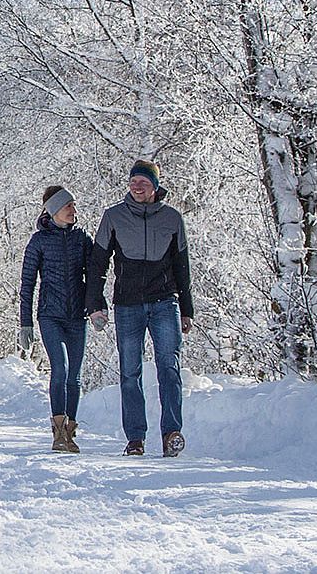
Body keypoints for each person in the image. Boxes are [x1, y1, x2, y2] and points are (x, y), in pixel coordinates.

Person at [89, 160, 196, 457]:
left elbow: (182, 266)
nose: (137, 187)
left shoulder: (173, 219)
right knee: (130, 372)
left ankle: (171, 433)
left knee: (170, 368)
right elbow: (98, 264)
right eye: (133, 182)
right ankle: (135, 438)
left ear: (155, 187)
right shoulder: (113, 217)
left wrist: (187, 309)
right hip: (128, 305)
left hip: (165, 302)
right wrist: (95, 304)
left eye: (143, 183)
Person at [18, 185, 102, 453]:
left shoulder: (82, 239)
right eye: (68, 207)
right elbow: (27, 284)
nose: (73, 211)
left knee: (74, 376)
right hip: (50, 316)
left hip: (77, 316)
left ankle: (70, 432)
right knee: (61, 369)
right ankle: (57, 431)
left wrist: (97, 308)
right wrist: (26, 322)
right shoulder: (39, 241)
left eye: (74, 206)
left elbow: (95, 277)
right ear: (54, 211)